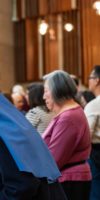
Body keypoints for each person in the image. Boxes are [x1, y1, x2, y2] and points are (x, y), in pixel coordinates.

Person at [43, 70, 91, 200]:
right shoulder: (68, 114)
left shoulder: (68, 118)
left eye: (46, 91)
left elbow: (54, 159)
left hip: (70, 182)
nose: (44, 96)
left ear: (57, 91)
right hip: (70, 180)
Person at [84, 66, 100, 200]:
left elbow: (86, 136)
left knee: (95, 191)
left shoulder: (94, 105)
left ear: (97, 80)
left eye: (90, 78)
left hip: (96, 154)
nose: (88, 81)